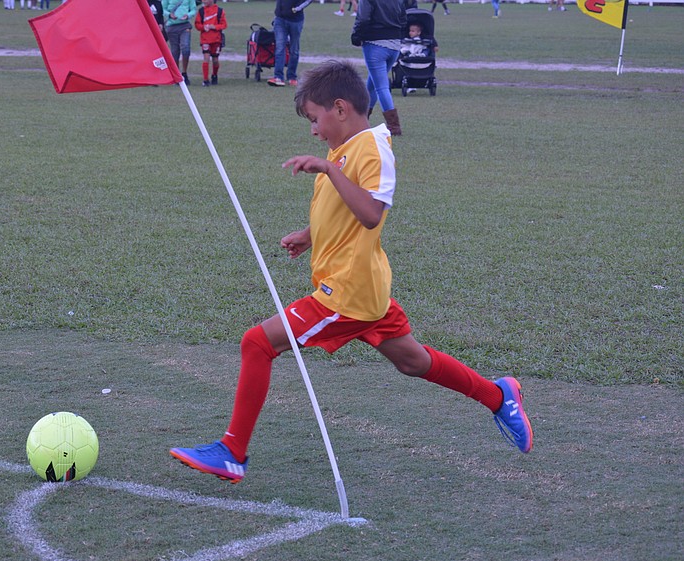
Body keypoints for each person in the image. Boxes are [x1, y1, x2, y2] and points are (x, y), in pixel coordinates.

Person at [169, 60, 534, 485]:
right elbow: (342, 208)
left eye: (314, 118)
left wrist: (329, 169)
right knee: (413, 362)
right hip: (364, 287)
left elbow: (370, 214)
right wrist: (310, 234)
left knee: (257, 343)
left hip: (345, 294)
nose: (313, 130)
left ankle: (231, 451)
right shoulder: (343, 149)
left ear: (340, 108)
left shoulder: (373, 147)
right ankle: (498, 394)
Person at [350, 0, 405, 136]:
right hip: (394, 46)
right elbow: (404, 17)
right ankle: (362, 120)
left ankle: (394, 126)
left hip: (375, 44)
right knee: (373, 84)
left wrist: (356, 35)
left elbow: (363, 18)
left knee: (381, 87)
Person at [267, 0, 312, 87]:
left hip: (296, 21)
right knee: (280, 48)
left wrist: (296, 9)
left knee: (294, 49)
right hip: (280, 19)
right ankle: (278, 77)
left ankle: (292, 77)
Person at [163, 0, 196, 85]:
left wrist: (188, 15)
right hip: (171, 26)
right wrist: (169, 15)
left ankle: (184, 72)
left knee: (186, 48)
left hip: (185, 25)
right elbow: (163, 9)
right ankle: (177, 75)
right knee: (175, 51)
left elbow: (193, 9)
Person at [194, 0, 227, 87]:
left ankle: (214, 75)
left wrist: (214, 27)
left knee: (215, 60)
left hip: (216, 40)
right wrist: (203, 27)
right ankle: (205, 80)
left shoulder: (220, 11)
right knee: (206, 58)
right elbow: (197, 25)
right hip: (205, 39)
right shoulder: (201, 11)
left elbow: (224, 25)